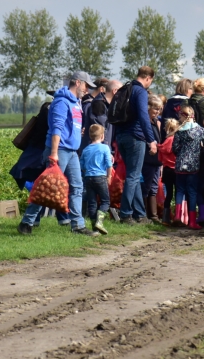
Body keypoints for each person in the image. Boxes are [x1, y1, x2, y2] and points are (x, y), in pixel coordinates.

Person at [19, 71, 94, 235]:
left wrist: (76, 133)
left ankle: (78, 226)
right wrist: (53, 153)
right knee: (48, 187)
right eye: (86, 85)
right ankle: (26, 222)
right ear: (78, 83)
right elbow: (56, 128)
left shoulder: (76, 103)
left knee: (77, 187)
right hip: (59, 150)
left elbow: (68, 126)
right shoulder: (61, 102)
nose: (87, 90)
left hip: (72, 151)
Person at [112, 66, 157, 224]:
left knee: (135, 175)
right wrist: (151, 139)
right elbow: (144, 117)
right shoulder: (140, 92)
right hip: (135, 138)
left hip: (121, 136)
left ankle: (140, 214)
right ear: (148, 78)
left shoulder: (125, 89)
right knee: (133, 176)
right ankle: (125, 214)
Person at [172, 105, 204, 230]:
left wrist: (181, 153)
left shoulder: (179, 130)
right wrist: (199, 151)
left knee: (179, 191)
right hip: (193, 166)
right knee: (192, 192)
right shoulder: (200, 130)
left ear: (182, 116)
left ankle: (178, 216)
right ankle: (192, 221)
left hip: (180, 165)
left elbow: (174, 148)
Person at [80, 124, 114, 235]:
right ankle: (99, 222)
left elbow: (82, 166)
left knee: (92, 203)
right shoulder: (105, 148)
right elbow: (109, 164)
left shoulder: (85, 149)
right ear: (102, 136)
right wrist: (109, 176)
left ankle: (94, 227)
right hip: (100, 177)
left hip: (88, 178)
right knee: (105, 201)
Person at [142, 96, 164, 222]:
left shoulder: (156, 122)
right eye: (155, 109)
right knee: (146, 186)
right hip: (148, 159)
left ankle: (154, 215)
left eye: (159, 109)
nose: (157, 112)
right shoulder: (145, 123)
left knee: (154, 187)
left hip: (156, 160)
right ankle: (144, 214)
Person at [159, 119, 179, 224]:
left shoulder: (165, 141)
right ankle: (178, 215)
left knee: (169, 194)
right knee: (178, 193)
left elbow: (161, 156)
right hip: (176, 169)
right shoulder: (176, 139)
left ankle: (165, 218)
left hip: (167, 169)